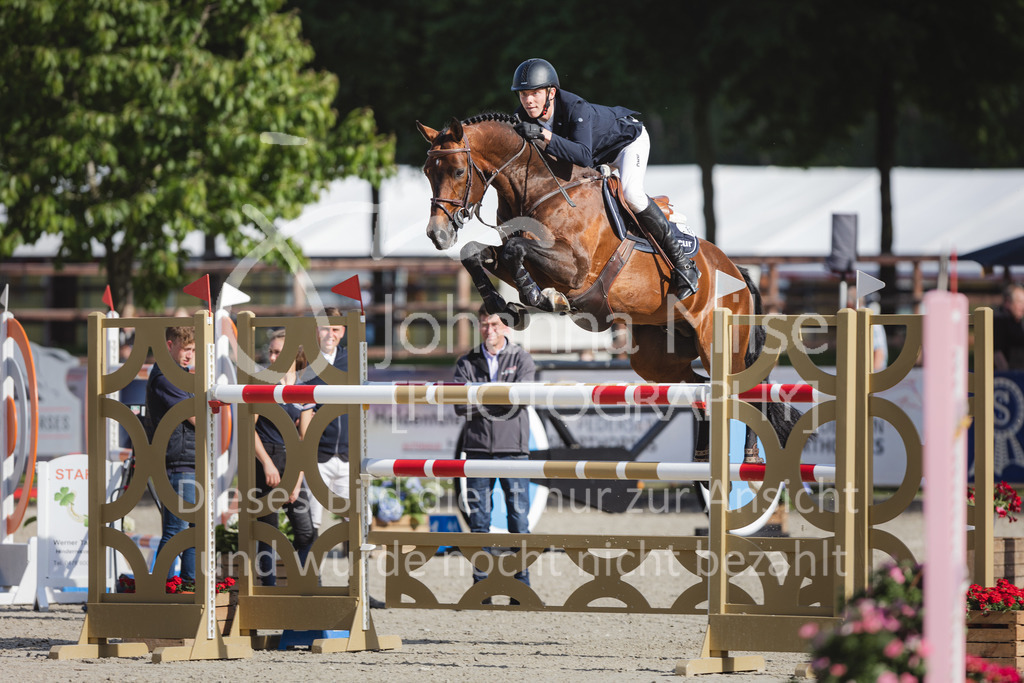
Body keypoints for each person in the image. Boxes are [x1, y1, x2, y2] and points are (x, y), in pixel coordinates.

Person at [510, 57, 699, 299]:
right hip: (596, 158)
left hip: (626, 144)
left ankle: (683, 264)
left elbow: (583, 155)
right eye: (523, 94)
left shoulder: (575, 107)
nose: (528, 100)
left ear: (551, 92)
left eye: (535, 93)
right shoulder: (522, 117)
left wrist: (543, 134)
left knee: (632, 194)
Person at [453, 306, 536, 598]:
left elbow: (522, 398)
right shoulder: (466, 361)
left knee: (519, 521)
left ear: (506, 327)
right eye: (485, 324)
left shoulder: (522, 358)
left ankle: (521, 584)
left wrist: (481, 398)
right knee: (479, 521)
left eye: (495, 324)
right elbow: (460, 406)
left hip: (514, 450)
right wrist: (501, 398)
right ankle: (481, 585)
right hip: (477, 450)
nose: (490, 330)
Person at [253, 329, 315, 586]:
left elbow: (305, 439)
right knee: (268, 531)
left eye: (278, 352)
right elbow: (248, 429)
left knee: (306, 532)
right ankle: (268, 590)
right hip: (264, 460)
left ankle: (303, 586)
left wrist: (297, 480)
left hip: (292, 461)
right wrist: (267, 463)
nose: (272, 357)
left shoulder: (303, 388)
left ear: (293, 355)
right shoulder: (262, 384)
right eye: (270, 351)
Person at [147, 326, 197, 583]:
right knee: (177, 530)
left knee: (194, 530)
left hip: (189, 459)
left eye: (194, 350)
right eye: (186, 349)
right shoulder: (167, 377)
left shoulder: (182, 375)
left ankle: (190, 585)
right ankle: (162, 589)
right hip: (178, 462)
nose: (190, 355)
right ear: (169, 345)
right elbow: (195, 417)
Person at [298, 307, 351, 535]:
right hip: (318, 454)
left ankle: (358, 559)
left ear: (343, 331)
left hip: (348, 455)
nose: (331, 334)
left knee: (360, 517)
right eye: (325, 329)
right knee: (312, 521)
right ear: (316, 331)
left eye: (335, 329)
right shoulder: (305, 360)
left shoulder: (352, 359)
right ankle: (310, 560)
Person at [994, 283, 1024, 371]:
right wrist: (1008, 374)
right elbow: (996, 352)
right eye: (1019, 302)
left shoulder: (1017, 321)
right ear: (1007, 302)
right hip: (1008, 376)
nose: (1023, 307)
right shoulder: (999, 320)